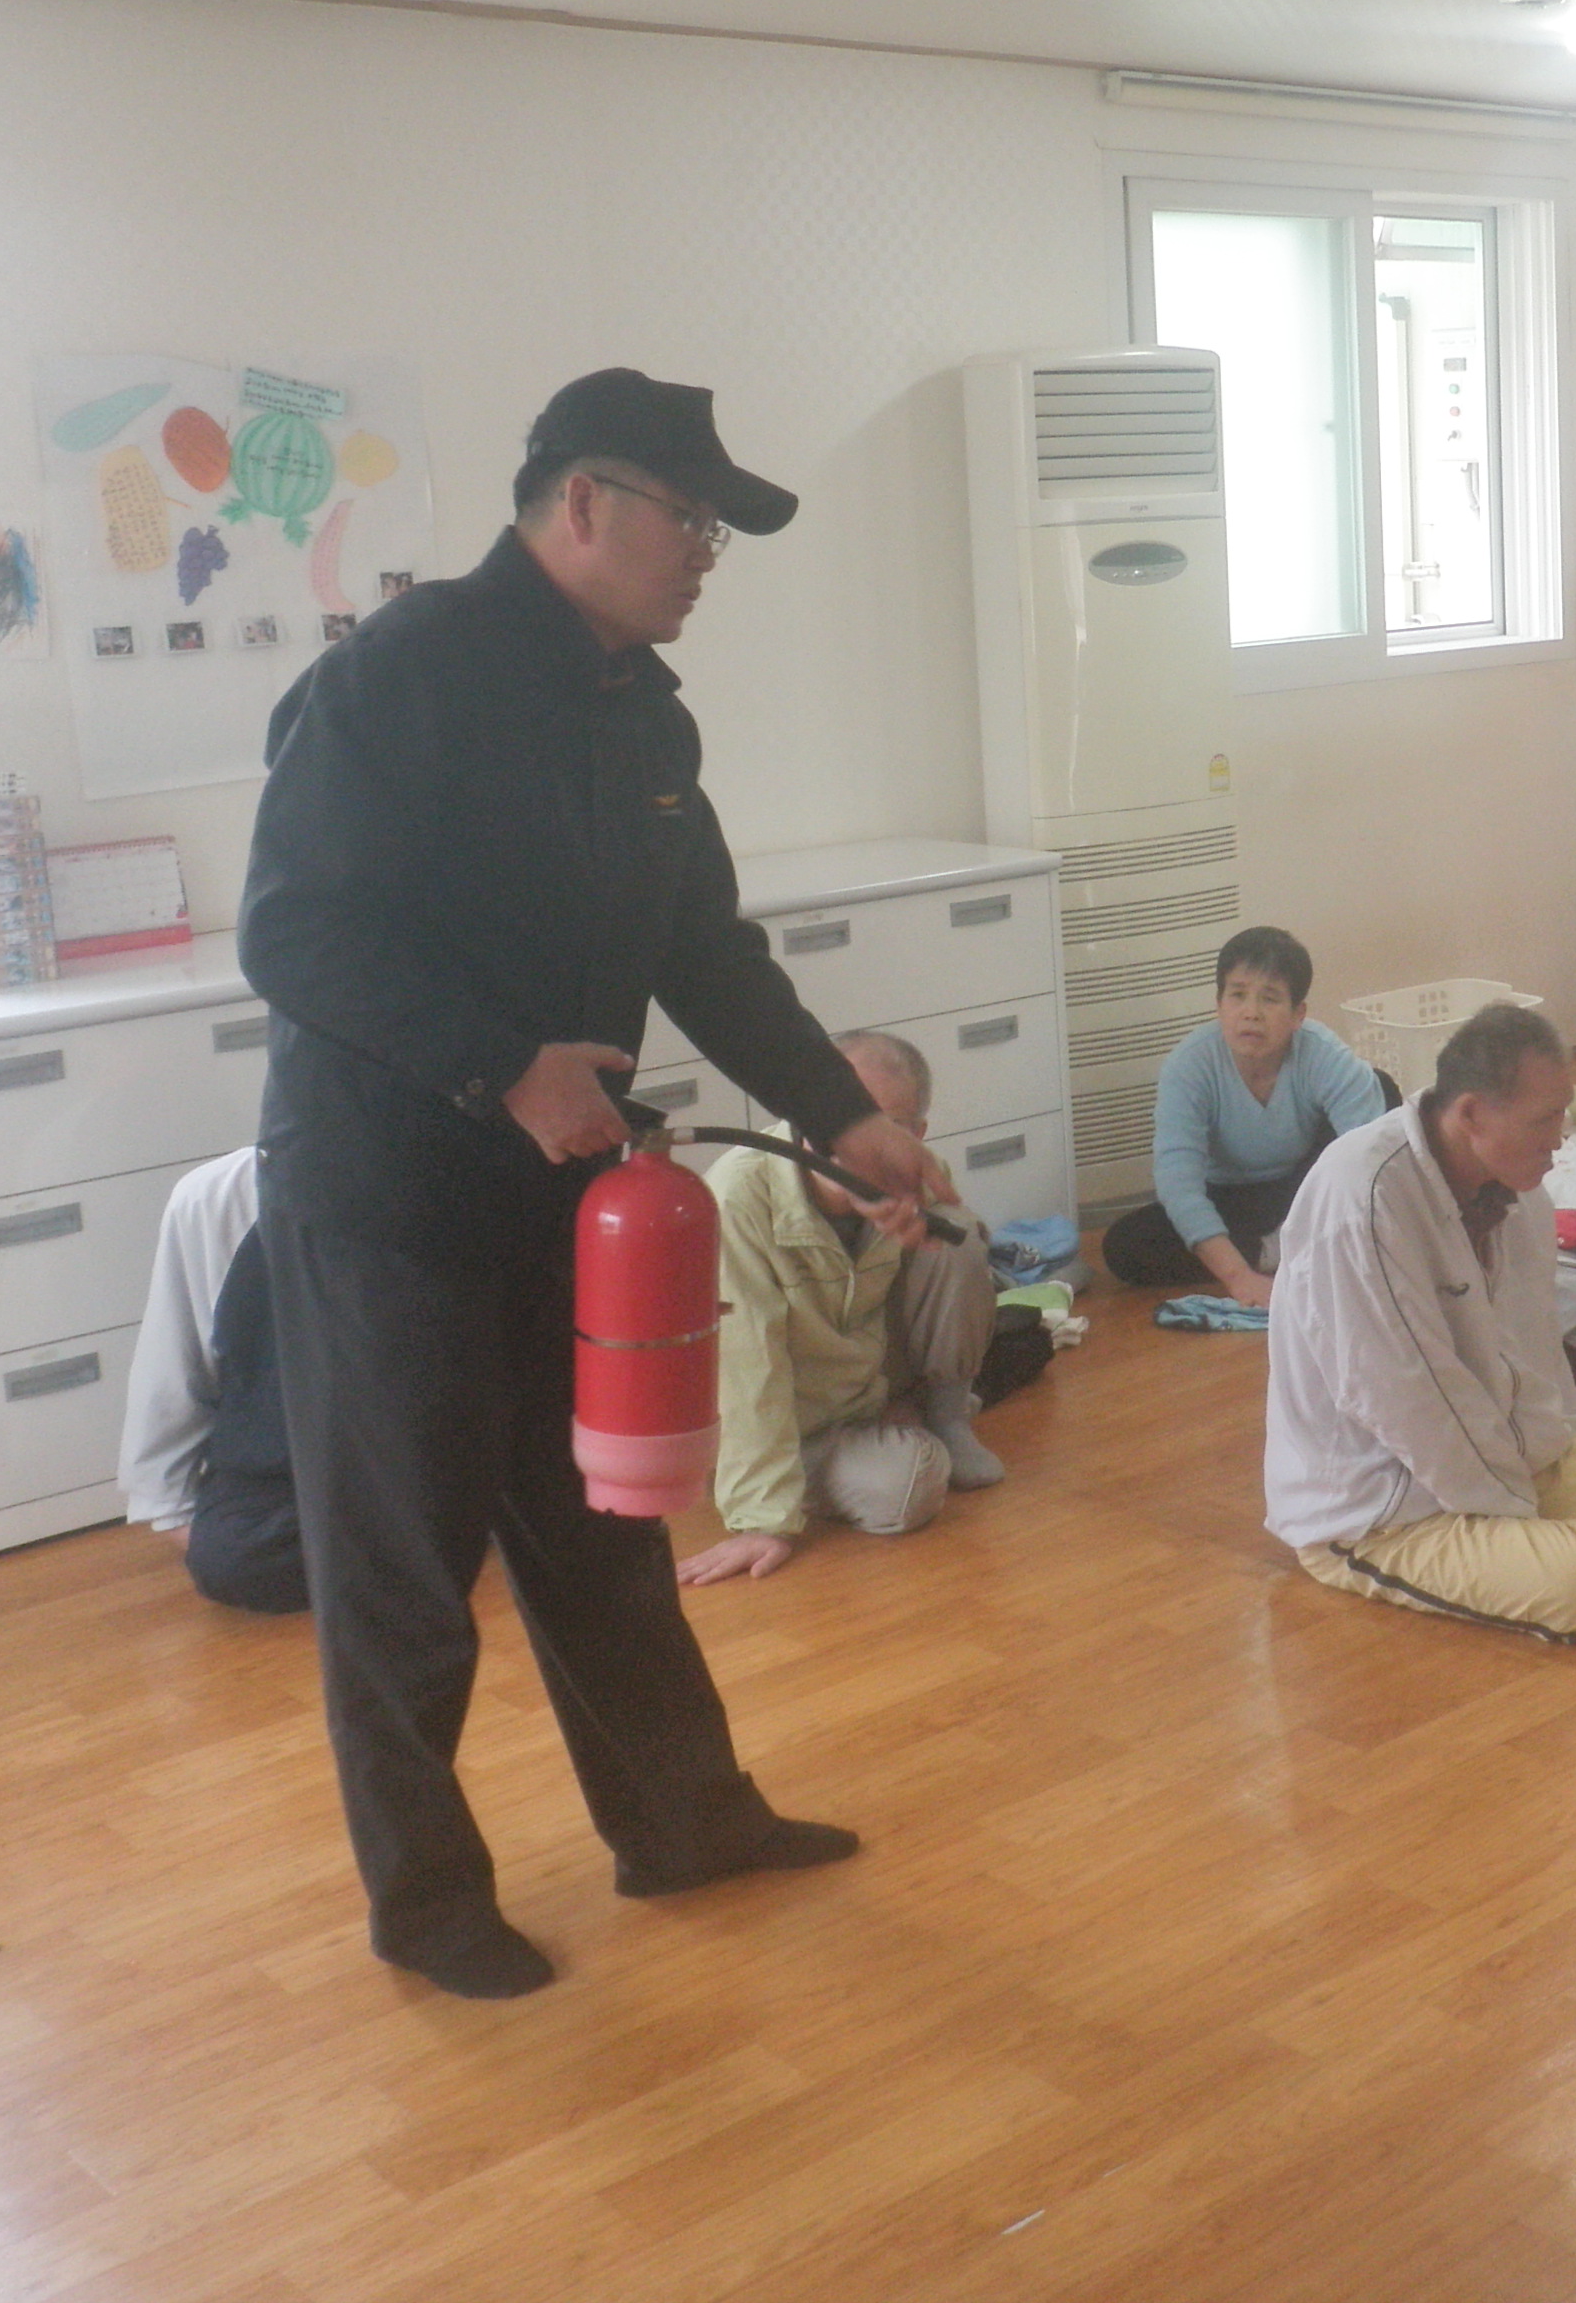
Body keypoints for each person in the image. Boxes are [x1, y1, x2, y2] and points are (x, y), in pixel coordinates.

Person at [238, 367, 952, 2000]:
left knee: (603, 1530)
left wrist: (841, 1115)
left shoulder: (644, 716)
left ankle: (684, 1822)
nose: (704, 555)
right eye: (687, 519)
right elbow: (292, 931)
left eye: (714, 531)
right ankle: (426, 1904)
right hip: (390, 1206)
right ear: (580, 501)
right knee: (407, 1579)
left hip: (565, 1205)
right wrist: (504, 1065)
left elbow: (707, 950)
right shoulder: (400, 678)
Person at [1264, 1000, 1576, 1643]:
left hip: (1504, 1457)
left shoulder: (1519, 1193)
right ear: (1470, 1115)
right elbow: (1403, 1400)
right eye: (1544, 1119)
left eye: (1562, 1113)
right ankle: (1547, 1545)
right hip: (1380, 1505)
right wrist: (1517, 1515)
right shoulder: (1363, 1201)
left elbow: (1535, 1358)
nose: (1559, 1138)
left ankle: (1548, 1535)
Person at [673, 1031, 1004, 1587]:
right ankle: (810, 1467)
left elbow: (939, 1295)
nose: (853, 1148)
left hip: (864, 1383)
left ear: (916, 1135)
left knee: (959, 1236)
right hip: (788, 1419)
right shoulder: (736, 1198)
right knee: (908, 1486)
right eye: (838, 1120)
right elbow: (748, 1366)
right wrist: (763, 1521)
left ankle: (945, 1417)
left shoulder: (916, 1172)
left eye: (884, 1127)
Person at [1099, 925, 1396, 1305]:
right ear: (1219, 1004)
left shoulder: (1322, 1054)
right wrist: (1239, 1278)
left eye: (1269, 999)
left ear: (1298, 1014)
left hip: (1304, 1186)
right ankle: (1274, 1251)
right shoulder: (1189, 1066)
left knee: (1380, 1088)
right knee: (1125, 1245)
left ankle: (1303, 1240)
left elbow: (1368, 1164)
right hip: (1230, 1199)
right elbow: (1178, 1183)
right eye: (1237, 995)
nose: (1251, 1013)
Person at [118, 1145, 309, 1616]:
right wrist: (179, 1517)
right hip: (288, 1461)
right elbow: (175, 1365)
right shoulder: (218, 1195)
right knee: (235, 1559)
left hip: (422, 1451)